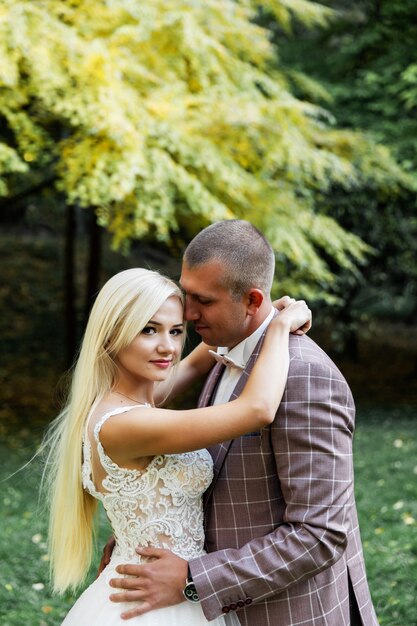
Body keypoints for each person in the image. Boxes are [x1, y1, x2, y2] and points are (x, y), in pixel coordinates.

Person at [106, 220, 379, 625]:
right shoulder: (223, 348)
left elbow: (320, 535)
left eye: (204, 300)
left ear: (252, 301)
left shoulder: (304, 376)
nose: (188, 312)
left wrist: (192, 579)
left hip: (288, 614)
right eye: (187, 294)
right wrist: (139, 535)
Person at [42, 265, 311, 626]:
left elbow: (196, 358)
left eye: (176, 330)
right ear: (111, 335)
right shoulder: (127, 424)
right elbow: (257, 409)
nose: (167, 347)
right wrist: (279, 328)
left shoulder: (126, 399)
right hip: (155, 606)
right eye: (149, 330)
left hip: (163, 586)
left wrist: (256, 315)